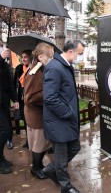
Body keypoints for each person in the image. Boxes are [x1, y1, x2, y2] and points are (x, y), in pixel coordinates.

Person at [42, 40, 84, 193]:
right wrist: (68, 112)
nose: (80, 57)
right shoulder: (54, 67)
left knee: (75, 147)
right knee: (61, 156)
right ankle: (65, 187)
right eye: (80, 53)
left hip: (66, 121)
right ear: (71, 51)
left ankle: (50, 170)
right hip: (59, 121)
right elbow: (50, 98)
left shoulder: (65, 66)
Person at [24, 43, 53, 179]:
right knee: (39, 144)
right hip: (36, 115)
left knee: (42, 143)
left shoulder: (39, 68)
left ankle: (39, 165)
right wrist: (48, 93)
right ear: (40, 57)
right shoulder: (35, 71)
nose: (52, 59)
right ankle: (35, 169)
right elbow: (29, 97)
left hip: (36, 114)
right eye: (50, 56)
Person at [0, 47, 19, 174]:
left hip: (4, 102)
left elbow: (10, 85)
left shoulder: (6, 65)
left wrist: (15, 99)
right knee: (4, 129)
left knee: (6, 131)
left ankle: (1, 158)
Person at [13, 50, 32, 148]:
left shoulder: (33, 68)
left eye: (26, 57)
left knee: (31, 121)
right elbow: (15, 84)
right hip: (21, 100)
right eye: (22, 57)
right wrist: (15, 99)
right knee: (25, 120)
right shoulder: (19, 68)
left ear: (30, 57)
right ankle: (28, 141)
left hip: (31, 100)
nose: (24, 59)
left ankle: (35, 141)